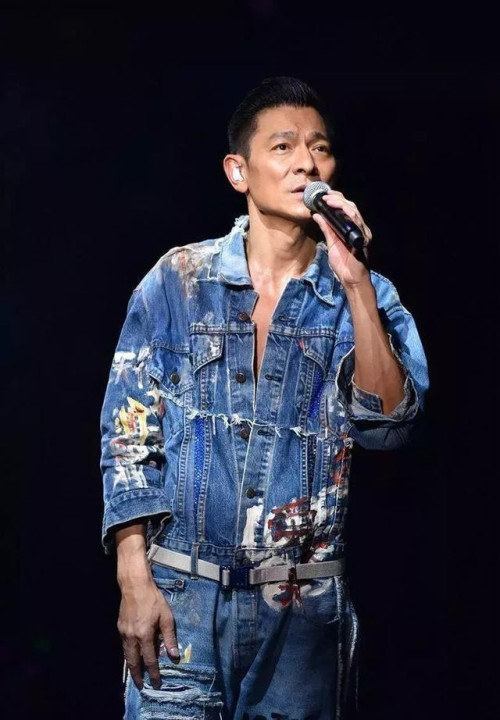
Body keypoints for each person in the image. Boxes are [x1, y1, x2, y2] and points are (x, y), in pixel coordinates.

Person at [99, 76, 429, 719]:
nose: (307, 162)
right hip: (183, 603)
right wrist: (133, 576)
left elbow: (388, 428)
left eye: (320, 147)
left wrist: (356, 282)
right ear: (238, 171)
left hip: (301, 619)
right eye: (283, 146)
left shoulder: (364, 293)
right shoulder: (178, 281)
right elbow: (128, 436)